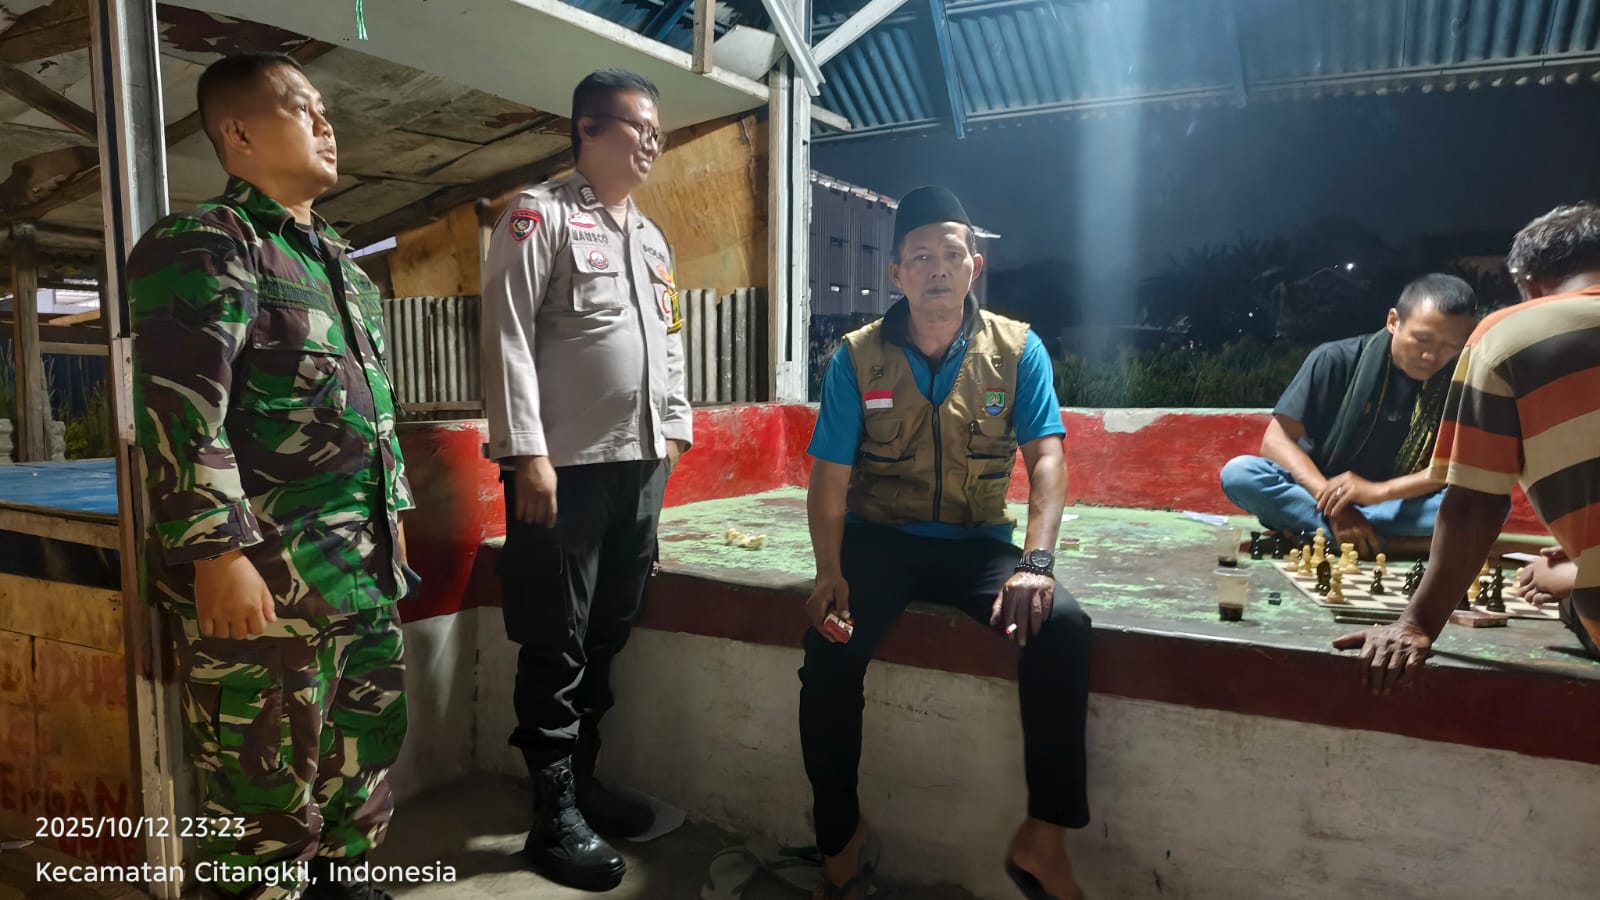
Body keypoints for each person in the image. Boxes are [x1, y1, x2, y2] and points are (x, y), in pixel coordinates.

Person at [129, 53, 413, 900]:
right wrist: (216, 552)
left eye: (325, 110)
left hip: (360, 571)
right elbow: (183, 412)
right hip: (267, 584)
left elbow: (365, 417)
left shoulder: (341, 267)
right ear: (240, 134)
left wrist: (393, 521)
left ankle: (347, 882)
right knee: (261, 797)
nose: (326, 123)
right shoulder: (210, 243)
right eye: (302, 107)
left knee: (361, 759)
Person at [801, 186, 1092, 900]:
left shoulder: (1017, 351)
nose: (938, 269)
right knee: (830, 646)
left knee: (1061, 625)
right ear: (896, 272)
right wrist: (829, 570)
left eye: (952, 255)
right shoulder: (856, 359)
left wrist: (1036, 563)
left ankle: (1043, 840)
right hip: (880, 540)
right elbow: (829, 476)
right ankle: (840, 840)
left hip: (975, 544)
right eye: (921, 257)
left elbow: (1047, 461)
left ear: (974, 266)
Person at [480, 68, 690, 891]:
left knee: (608, 632)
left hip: (639, 466)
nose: (652, 145)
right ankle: (552, 812)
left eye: (659, 134)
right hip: (561, 470)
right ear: (588, 129)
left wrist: (674, 434)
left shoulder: (653, 239)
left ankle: (586, 782)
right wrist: (525, 452)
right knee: (555, 638)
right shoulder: (539, 215)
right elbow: (506, 334)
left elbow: (668, 342)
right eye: (640, 129)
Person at [1334, 203, 1600, 689]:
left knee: (1575, 605)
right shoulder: (1341, 363)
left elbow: (1475, 502)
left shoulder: (1509, 335)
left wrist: (1414, 624)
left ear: (1528, 284)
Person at [1220, 274, 1478, 558]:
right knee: (1240, 474)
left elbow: (1453, 468)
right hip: (1316, 494)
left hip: (1396, 501)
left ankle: (1322, 534)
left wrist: (1378, 492)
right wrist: (1335, 505)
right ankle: (1383, 542)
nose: (1432, 356)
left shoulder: (1461, 382)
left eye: (1450, 346)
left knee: (1480, 504)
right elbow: (1276, 441)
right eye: (1422, 339)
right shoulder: (1335, 359)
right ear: (1393, 321)